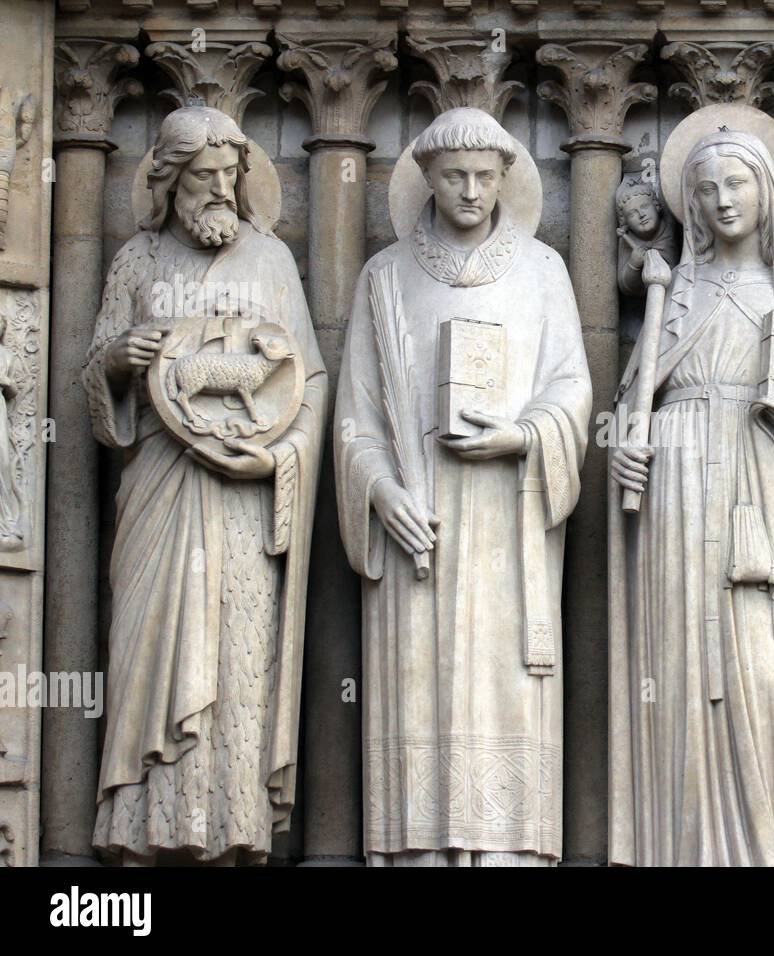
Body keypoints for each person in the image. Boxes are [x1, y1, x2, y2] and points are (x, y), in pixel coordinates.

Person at [335, 108, 591, 866]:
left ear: (506, 178)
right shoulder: (384, 278)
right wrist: (383, 495)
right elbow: (355, 420)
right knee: (420, 691)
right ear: (427, 180)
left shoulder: (544, 271)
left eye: (485, 176)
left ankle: (510, 851)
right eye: (454, 177)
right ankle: (414, 852)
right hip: (420, 520)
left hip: (509, 517)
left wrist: (523, 436)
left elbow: (572, 390)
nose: (472, 190)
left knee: (504, 685)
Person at [85, 107, 326, 865]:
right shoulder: (137, 260)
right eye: (203, 176)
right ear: (169, 180)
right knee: (146, 652)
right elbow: (91, 377)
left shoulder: (271, 262)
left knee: (234, 663)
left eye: (231, 175)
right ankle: (140, 832)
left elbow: (307, 382)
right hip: (159, 481)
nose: (221, 188)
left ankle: (231, 832)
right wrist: (120, 359)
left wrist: (279, 459)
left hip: (243, 502)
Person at [609, 119, 774, 866]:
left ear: (767, 191)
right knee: (676, 673)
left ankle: (765, 848)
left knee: (759, 671)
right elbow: (632, 403)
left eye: (736, 184)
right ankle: (680, 848)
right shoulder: (670, 290)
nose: (721, 201)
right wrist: (622, 447)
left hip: (762, 486)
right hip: (676, 496)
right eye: (704, 189)